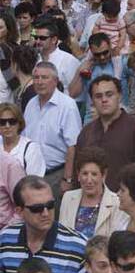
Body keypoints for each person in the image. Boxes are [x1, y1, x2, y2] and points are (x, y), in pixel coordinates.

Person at [0, 176, 90, 273]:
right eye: (37, 208)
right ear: (19, 211)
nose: (46, 213)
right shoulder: (5, 239)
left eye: (50, 205)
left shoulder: (78, 246)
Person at [75, 75, 135, 192]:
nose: (104, 100)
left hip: (127, 202)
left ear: (120, 96)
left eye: (109, 94)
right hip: (90, 200)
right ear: (92, 101)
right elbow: (77, 171)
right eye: (98, 96)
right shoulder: (86, 132)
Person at [24, 62, 81, 199]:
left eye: (44, 77)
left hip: (57, 174)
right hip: (32, 175)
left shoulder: (67, 105)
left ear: (55, 81)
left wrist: (67, 179)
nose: (39, 82)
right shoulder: (31, 104)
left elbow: (73, 146)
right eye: (36, 78)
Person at [59, 147, 124, 238]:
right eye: (85, 174)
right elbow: (61, 235)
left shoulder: (116, 202)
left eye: (94, 174)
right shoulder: (68, 197)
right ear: (78, 175)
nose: (89, 180)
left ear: (103, 175)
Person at [32, 19, 79, 92]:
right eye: (35, 38)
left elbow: (75, 91)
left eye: (42, 38)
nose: (37, 41)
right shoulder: (33, 59)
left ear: (54, 39)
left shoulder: (69, 61)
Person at [0, 103, 45, 176]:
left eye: (12, 122)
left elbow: (34, 182)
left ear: (19, 123)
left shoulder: (31, 149)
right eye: (2, 122)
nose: (7, 126)